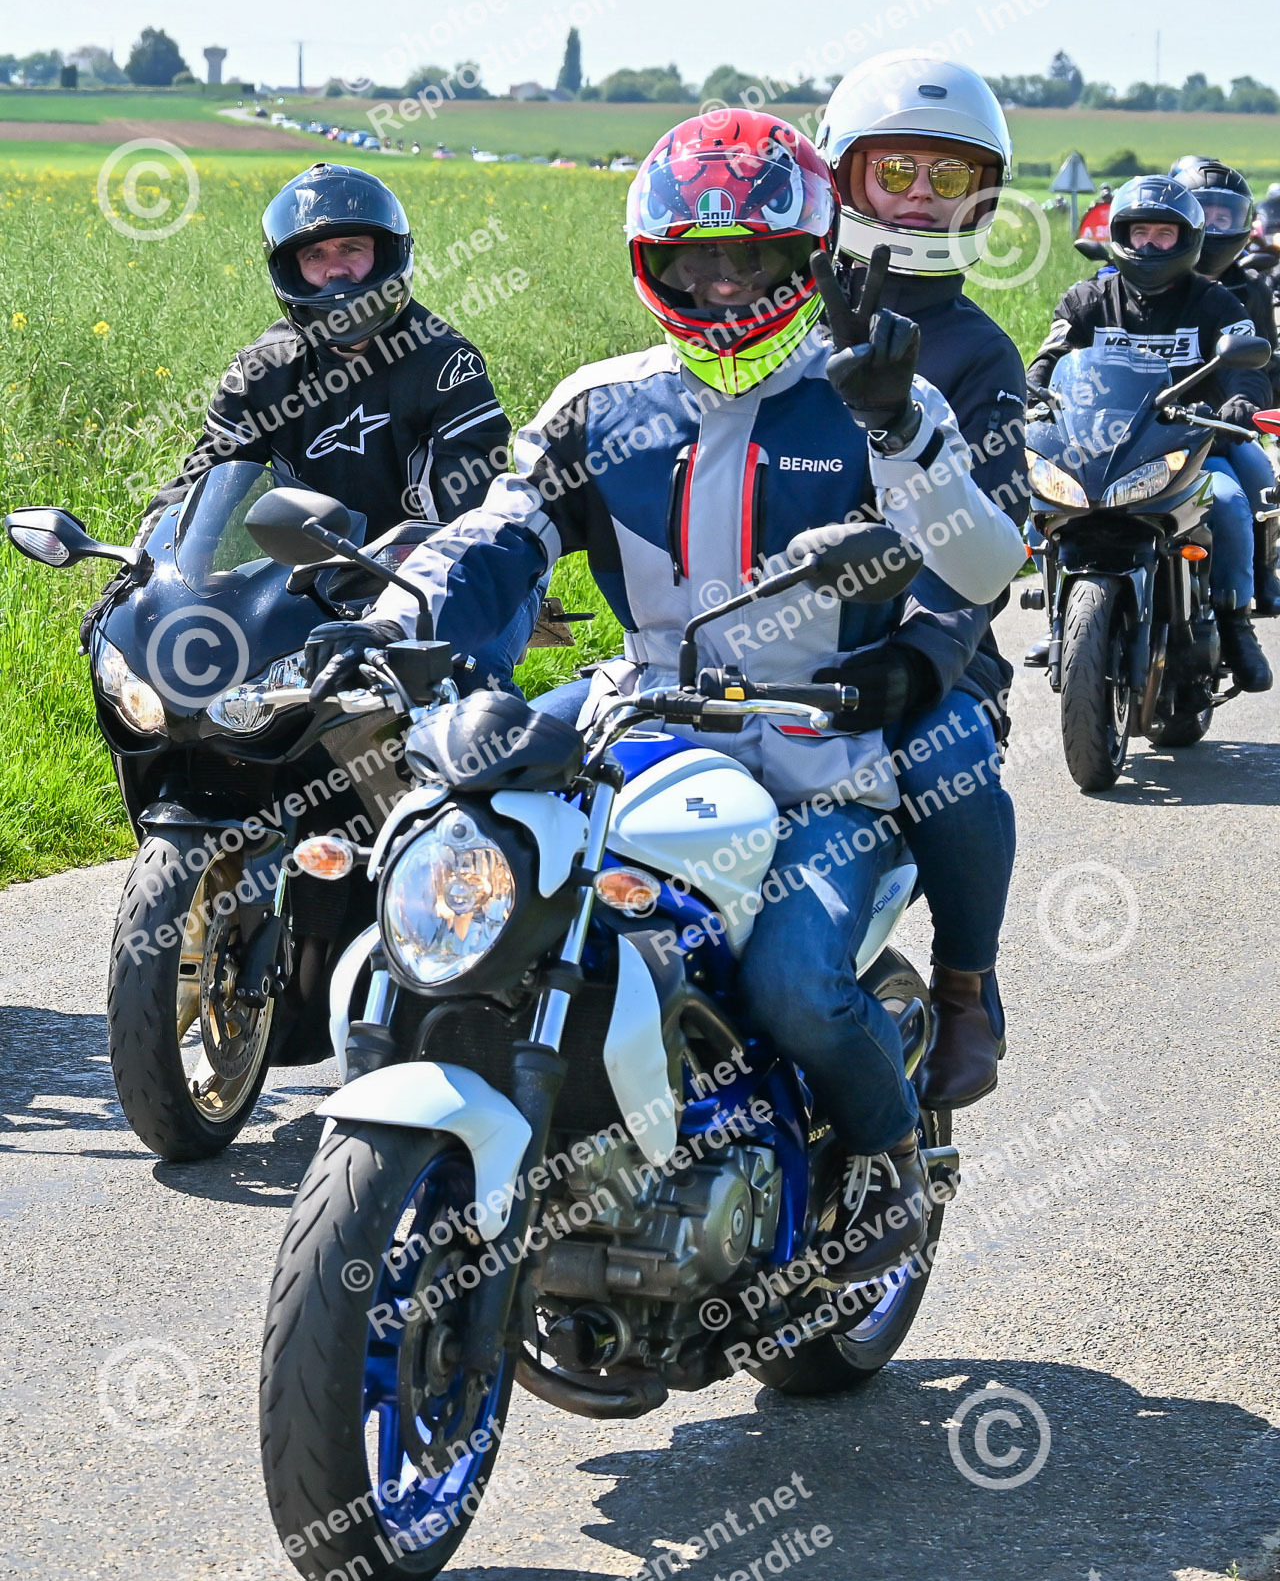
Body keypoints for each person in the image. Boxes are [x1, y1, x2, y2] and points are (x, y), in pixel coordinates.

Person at [317, 111, 1026, 1280]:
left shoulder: (877, 395)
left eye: (747, 254)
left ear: (806, 255)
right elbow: (499, 533)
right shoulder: (600, 403)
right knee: (457, 856)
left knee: (796, 990)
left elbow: (983, 565)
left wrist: (900, 429)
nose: (719, 281)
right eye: (693, 258)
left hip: (818, 751)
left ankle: (890, 1163)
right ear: (652, 262)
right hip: (639, 720)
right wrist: (391, 619)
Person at [86, 161, 536, 667]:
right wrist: (139, 582)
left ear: (387, 254)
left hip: (435, 573)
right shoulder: (262, 372)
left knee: (468, 668)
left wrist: (410, 595)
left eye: (352, 249)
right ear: (290, 270)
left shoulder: (445, 364)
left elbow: (476, 517)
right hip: (308, 579)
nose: (335, 270)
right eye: (314, 255)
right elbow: (201, 481)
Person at [816, 51, 1025, 1113]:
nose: (918, 196)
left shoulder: (980, 354)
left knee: (947, 757)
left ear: (979, 198)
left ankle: (964, 987)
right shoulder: (772, 319)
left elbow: (989, 535)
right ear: (842, 173)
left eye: (948, 177)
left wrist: (926, 652)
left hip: (924, 652)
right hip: (772, 641)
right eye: (895, 168)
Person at [1025, 175, 1273, 692]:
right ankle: (1057, 615)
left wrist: (1241, 403)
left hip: (1189, 444)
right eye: (1140, 233)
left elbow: (1245, 365)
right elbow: (1049, 358)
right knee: (1038, 496)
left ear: (1188, 240)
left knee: (1229, 503)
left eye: (1164, 234)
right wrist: (1030, 393)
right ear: (1121, 235)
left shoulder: (1216, 303)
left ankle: (1235, 622)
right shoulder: (1086, 299)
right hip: (1097, 446)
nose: (1150, 245)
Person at [1170, 157, 1280, 613]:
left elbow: (1264, 361)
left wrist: (1248, 405)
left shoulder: (1248, 289)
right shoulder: (1128, 286)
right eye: (1204, 213)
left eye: (1224, 215)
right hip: (1137, 425)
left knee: (1257, 479)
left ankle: (1258, 578)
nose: (1214, 226)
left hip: (1217, 426)